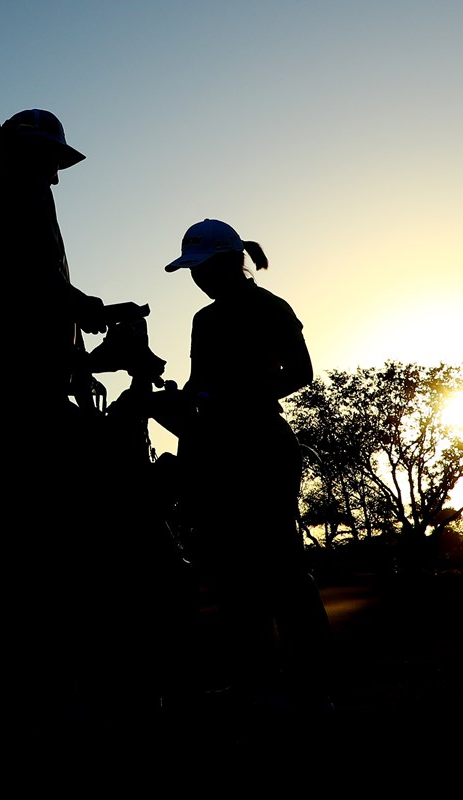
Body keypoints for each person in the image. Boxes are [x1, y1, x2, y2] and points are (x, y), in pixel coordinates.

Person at [0, 108, 111, 724]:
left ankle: (34, 678)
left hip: (24, 383)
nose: (57, 176)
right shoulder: (8, 200)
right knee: (18, 539)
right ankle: (15, 686)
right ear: (21, 154)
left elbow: (39, 290)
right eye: (50, 163)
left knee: (41, 536)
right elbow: (30, 284)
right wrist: (88, 309)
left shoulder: (24, 196)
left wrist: (75, 354)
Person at [157, 219, 332, 713]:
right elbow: (198, 385)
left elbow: (301, 373)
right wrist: (184, 402)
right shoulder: (204, 321)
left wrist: (240, 397)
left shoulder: (271, 308)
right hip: (216, 450)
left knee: (281, 566)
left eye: (201, 268)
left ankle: (311, 688)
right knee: (231, 572)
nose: (197, 279)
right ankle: (254, 679)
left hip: (262, 446)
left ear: (225, 263)